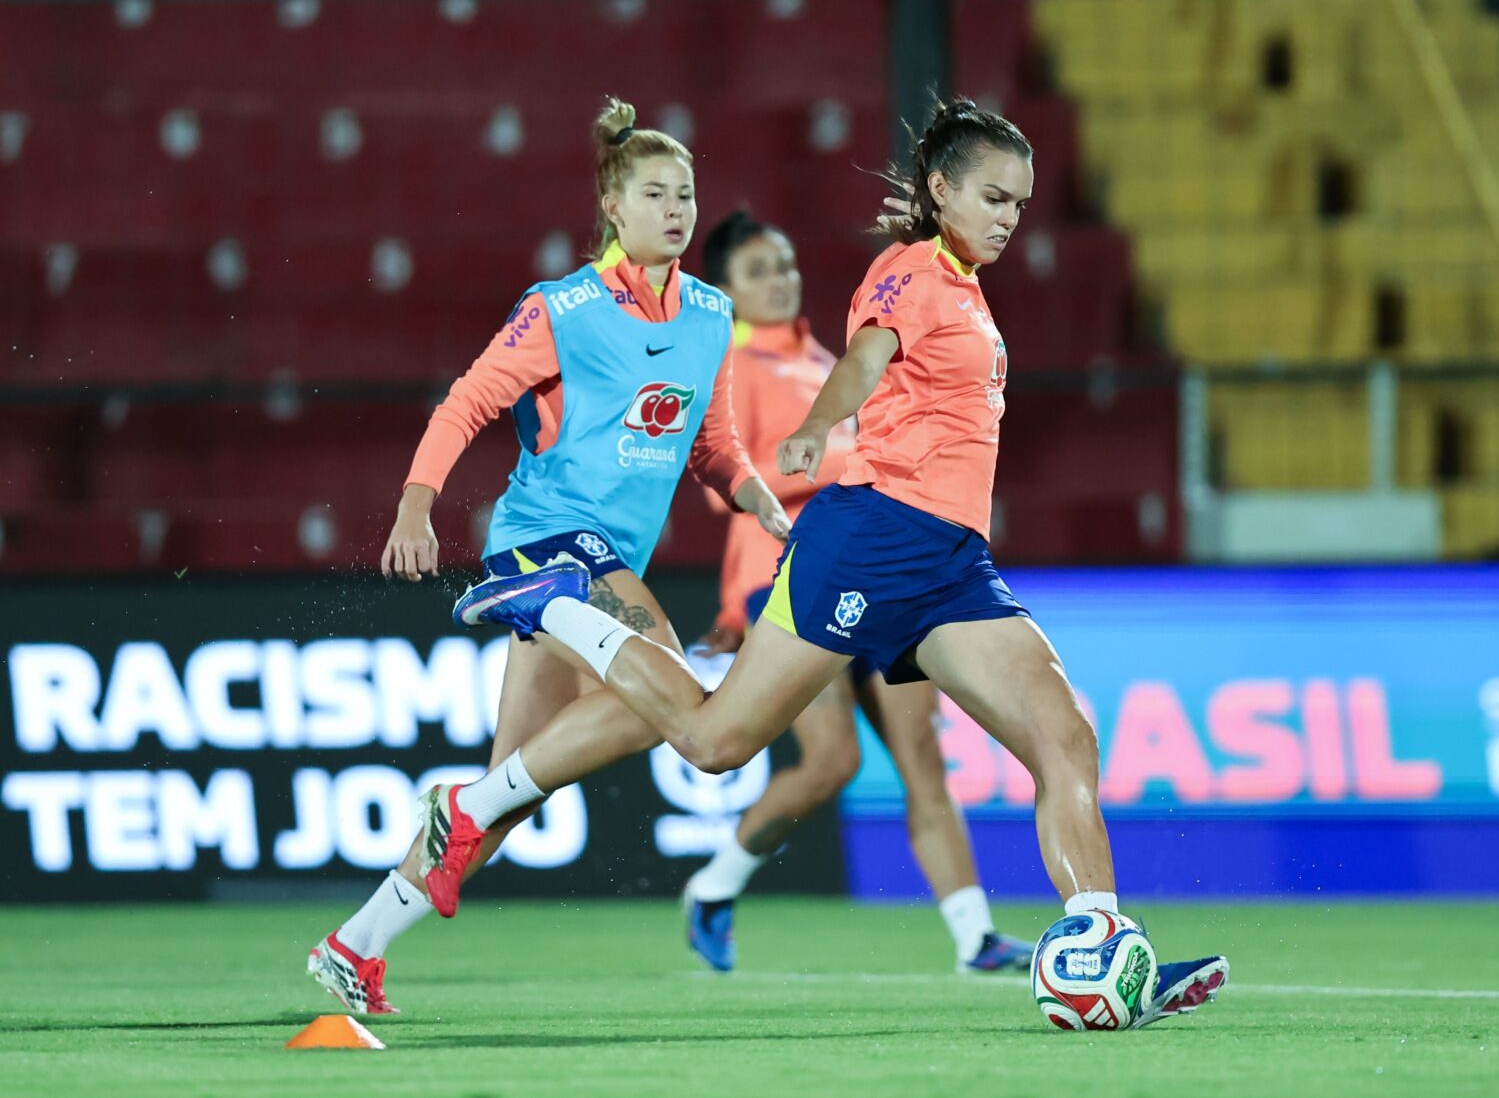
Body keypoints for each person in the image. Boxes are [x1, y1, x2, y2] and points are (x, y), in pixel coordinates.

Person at [428, 98, 1228, 1024]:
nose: (1012, 216)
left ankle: (1104, 944)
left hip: (952, 565)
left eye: (1022, 201)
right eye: (995, 196)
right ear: (941, 189)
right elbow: (867, 360)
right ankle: (557, 603)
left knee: (1065, 735)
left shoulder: (968, 287)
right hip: (871, 538)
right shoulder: (910, 272)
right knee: (716, 743)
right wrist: (815, 426)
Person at [305, 97, 789, 1015]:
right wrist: (417, 507)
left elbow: (711, 443)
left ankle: (354, 944)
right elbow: (467, 402)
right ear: (613, 203)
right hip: (548, 541)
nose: (677, 209)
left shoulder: (712, 315)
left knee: (508, 792)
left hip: (595, 563)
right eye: (655, 193)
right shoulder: (561, 307)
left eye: (686, 194)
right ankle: (503, 638)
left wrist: (764, 503)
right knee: (676, 701)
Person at [682, 209, 1030, 974]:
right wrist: (837, 456)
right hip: (795, 574)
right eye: (757, 270)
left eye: (784, 263)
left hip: (888, 563)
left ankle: (976, 935)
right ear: (726, 291)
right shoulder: (729, 364)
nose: (779, 279)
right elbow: (722, 483)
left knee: (921, 757)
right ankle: (715, 884)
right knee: (832, 758)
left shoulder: (823, 356)